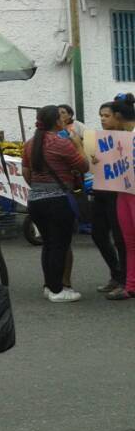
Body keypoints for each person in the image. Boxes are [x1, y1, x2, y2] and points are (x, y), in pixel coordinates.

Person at [22, 105, 89, 303]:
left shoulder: (30, 144)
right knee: (60, 244)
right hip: (58, 201)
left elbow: (26, 173)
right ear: (57, 122)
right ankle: (58, 290)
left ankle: (49, 286)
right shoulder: (62, 143)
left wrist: (40, 188)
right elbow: (83, 166)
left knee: (49, 244)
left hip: (35, 200)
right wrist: (77, 144)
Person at [97, 94, 134, 298]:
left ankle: (127, 282)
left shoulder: (127, 135)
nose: (103, 119)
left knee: (127, 240)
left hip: (127, 192)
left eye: (108, 115)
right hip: (119, 191)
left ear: (118, 116)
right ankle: (128, 283)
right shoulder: (109, 138)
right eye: (101, 115)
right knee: (127, 241)